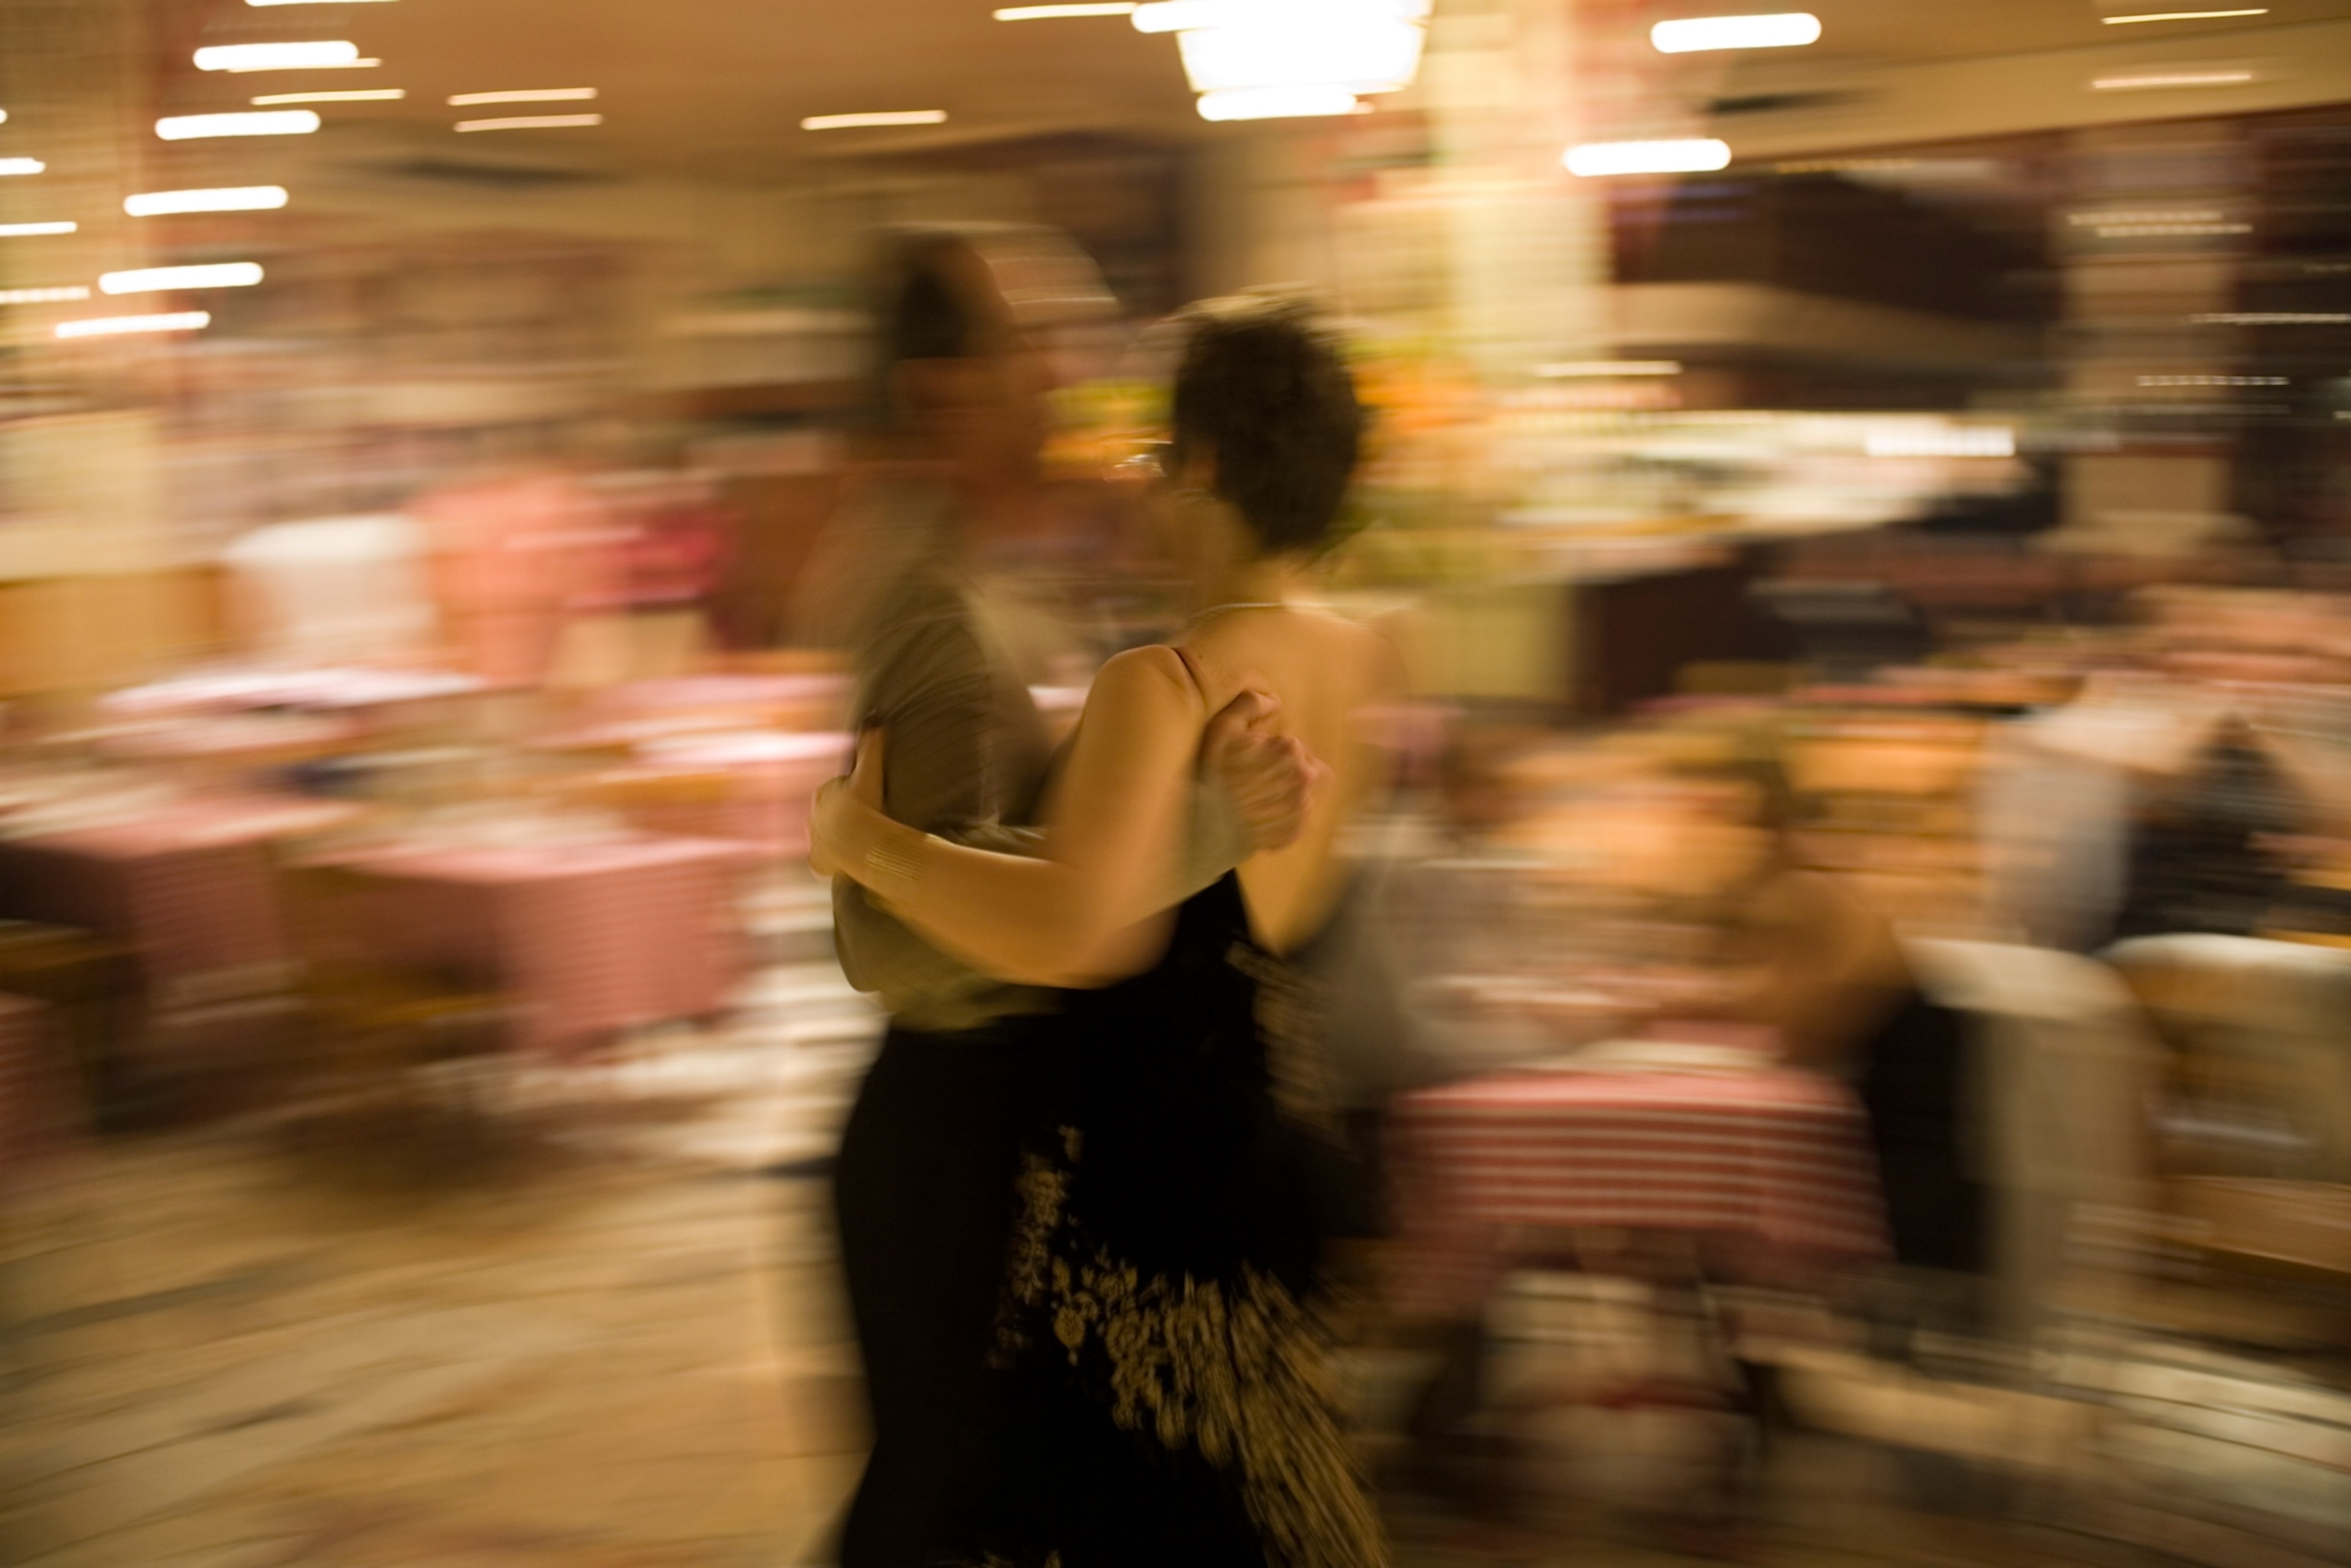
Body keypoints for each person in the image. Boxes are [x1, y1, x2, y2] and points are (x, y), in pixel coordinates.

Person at [812, 292, 1394, 1568]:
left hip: (1139, 1207)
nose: (1142, 489)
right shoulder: (1366, 660)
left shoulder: (1165, 683)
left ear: (1206, 465)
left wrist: (862, 844)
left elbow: (1078, 929)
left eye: (1155, 460)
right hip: (1259, 1168)